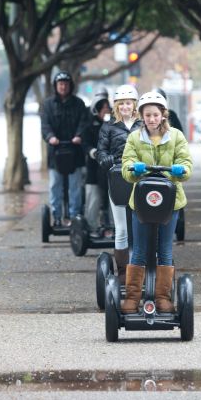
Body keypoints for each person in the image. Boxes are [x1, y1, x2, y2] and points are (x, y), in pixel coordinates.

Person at [121, 90, 193, 313]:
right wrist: (134, 169)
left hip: (170, 202)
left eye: (156, 114)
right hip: (142, 203)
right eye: (147, 115)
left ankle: (163, 297)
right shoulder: (134, 138)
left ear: (163, 114)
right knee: (140, 250)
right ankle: (132, 297)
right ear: (141, 116)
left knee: (165, 250)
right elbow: (126, 167)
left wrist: (181, 170)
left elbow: (186, 163)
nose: (152, 119)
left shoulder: (176, 136)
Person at [97, 84, 141, 283]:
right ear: (116, 105)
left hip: (141, 179)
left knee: (142, 224)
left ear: (135, 104)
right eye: (121, 103)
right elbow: (101, 151)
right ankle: (123, 271)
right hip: (118, 180)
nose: (125, 106)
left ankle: (141, 266)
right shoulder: (109, 127)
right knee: (122, 228)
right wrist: (104, 159)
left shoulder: (143, 125)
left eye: (128, 103)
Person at [41, 70, 88, 229]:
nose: (63, 87)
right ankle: (57, 217)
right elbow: (45, 125)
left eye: (66, 84)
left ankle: (75, 217)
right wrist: (50, 137)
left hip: (75, 152)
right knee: (55, 186)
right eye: (60, 84)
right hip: (56, 153)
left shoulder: (79, 104)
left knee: (75, 187)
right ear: (56, 86)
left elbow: (84, 122)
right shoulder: (48, 105)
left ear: (70, 86)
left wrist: (79, 135)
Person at [82, 88, 112, 234]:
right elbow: (85, 143)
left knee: (114, 200)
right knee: (93, 199)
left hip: (111, 170)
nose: (106, 111)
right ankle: (91, 228)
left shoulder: (114, 125)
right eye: (103, 108)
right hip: (94, 169)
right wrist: (92, 152)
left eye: (108, 108)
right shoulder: (89, 125)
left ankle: (114, 227)